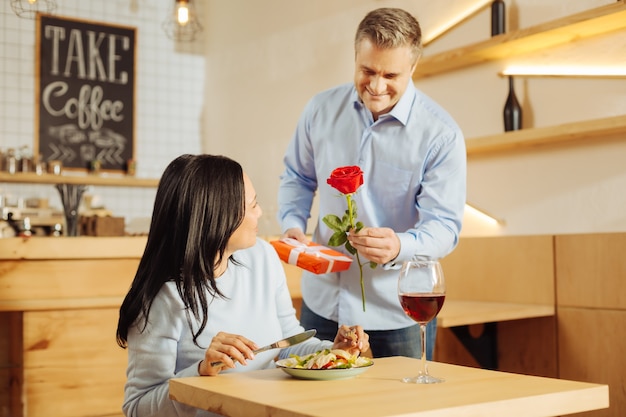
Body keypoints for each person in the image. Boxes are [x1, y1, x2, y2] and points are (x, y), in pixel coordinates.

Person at [116, 154, 369, 417]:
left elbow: (287, 342)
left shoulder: (262, 256)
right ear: (217, 216)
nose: (259, 212)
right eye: (253, 205)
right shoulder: (163, 297)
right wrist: (202, 371)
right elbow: (138, 407)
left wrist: (333, 353)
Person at [277, 8, 466, 359]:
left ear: (413, 68)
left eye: (391, 74)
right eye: (367, 71)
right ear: (355, 58)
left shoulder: (442, 135)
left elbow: (445, 227)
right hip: (322, 305)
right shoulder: (319, 111)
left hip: (399, 314)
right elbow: (297, 178)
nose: (377, 87)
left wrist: (400, 246)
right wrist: (292, 224)